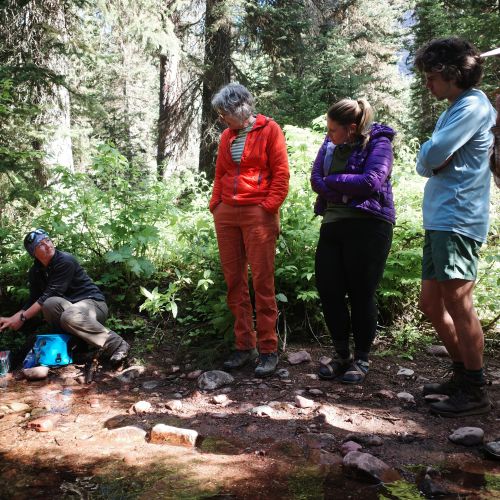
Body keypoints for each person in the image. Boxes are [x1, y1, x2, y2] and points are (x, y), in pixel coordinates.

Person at [414, 38, 496, 417]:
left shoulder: (474, 106)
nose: (427, 85)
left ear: (451, 75)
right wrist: (432, 156)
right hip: (440, 217)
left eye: (431, 77)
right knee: (431, 304)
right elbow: (427, 161)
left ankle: (476, 389)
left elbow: (431, 154)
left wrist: (432, 156)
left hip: (459, 217)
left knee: (458, 303)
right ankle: (462, 373)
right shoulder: (455, 107)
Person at [310, 98, 395, 384]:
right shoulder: (330, 142)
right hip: (333, 224)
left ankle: (361, 359)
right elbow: (315, 179)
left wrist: (333, 183)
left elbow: (371, 181)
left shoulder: (379, 142)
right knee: (329, 290)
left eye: (333, 130)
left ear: (350, 128)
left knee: (361, 293)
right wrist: (343, 188)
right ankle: (341, 355)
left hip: (370, 225)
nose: (328, 134)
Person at [209, 83, 289, 378]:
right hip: (226, 214)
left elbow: (281, 173)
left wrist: (268, 207)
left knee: (263, 283)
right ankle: (245, 346)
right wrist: (216, 204)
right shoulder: (226, 137)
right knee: (234, 282)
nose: (221, 119)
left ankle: (268, 349)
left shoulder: (270, 130)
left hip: (259, 213)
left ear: (238, 109)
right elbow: (220, 173)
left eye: (223, 113)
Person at [0, 229, 130, 365]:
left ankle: (117, 344)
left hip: (94, 305)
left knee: (67, 313)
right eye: (41, 245)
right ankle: (74, 346)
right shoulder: (36, 271)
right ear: (33, 253)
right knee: (50, 305)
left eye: (48, 240)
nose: (48, 245)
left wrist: (23, 317)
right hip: (71, 309)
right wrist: (12, 319)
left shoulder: (65, 261)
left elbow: (49, 294)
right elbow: (34, 300)